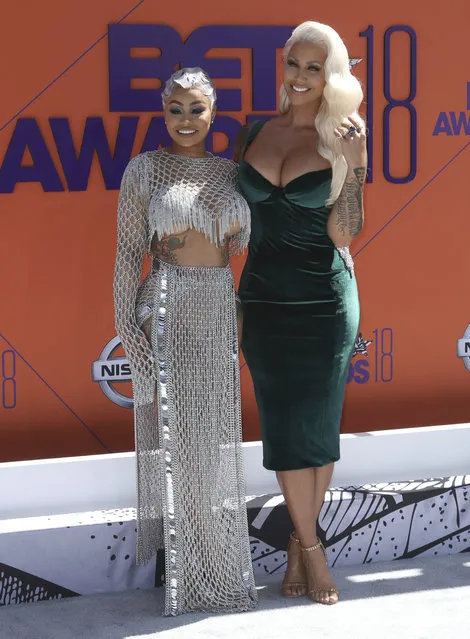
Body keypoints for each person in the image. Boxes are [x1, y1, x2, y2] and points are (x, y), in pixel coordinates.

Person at [113, 67, 258, 616]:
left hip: (220, 306)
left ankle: (214, 564)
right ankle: (187, 572)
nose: (185, 120)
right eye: (175, 109)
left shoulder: (232, 173)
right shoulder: (144, 170)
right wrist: (130, 334)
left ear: (213, 112)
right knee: (178, 445)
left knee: (212, 441)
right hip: (168, 304)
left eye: (196, 109)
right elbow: (129, 254)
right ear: (163, 111)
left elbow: (246, 243)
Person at [234, 21, 366, 605]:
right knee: (286, 427)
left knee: (317, 426)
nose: (302, 77)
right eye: (295, 64)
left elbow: (346, 231)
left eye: (315, 68)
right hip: (262, 298)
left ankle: (305, 550)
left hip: (324, 300)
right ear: (282, 66)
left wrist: (356, 162)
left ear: (331, 74)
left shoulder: (339, 135)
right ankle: (308, 546)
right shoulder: (252, 133)